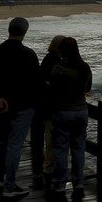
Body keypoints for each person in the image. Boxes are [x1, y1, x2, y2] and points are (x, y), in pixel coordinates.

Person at [0, 16, 43, 199]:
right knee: (15, 145)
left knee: (0, 142)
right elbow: (37, 83)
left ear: (9, 30)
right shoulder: (29, 55)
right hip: (23, 106)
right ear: (25, 32)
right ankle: (10, 186)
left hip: (1, 107)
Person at [49, 37, 92, 197]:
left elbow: (52, 89)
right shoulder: (84, 67)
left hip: (63, 111)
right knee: (79, 148)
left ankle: (60, 183)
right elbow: (88, 87)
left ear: (62, 50)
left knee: (61, 148)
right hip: (81, 110)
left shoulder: (59, 68)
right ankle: (78, 182)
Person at [32, 35, 64, 190]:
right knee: (51, 138)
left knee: (47, 137)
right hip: (51, 107)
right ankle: (49, 170)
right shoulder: (54, 60)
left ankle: (45, 168)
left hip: (43, 105)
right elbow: (50, 82)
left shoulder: (47, 58)